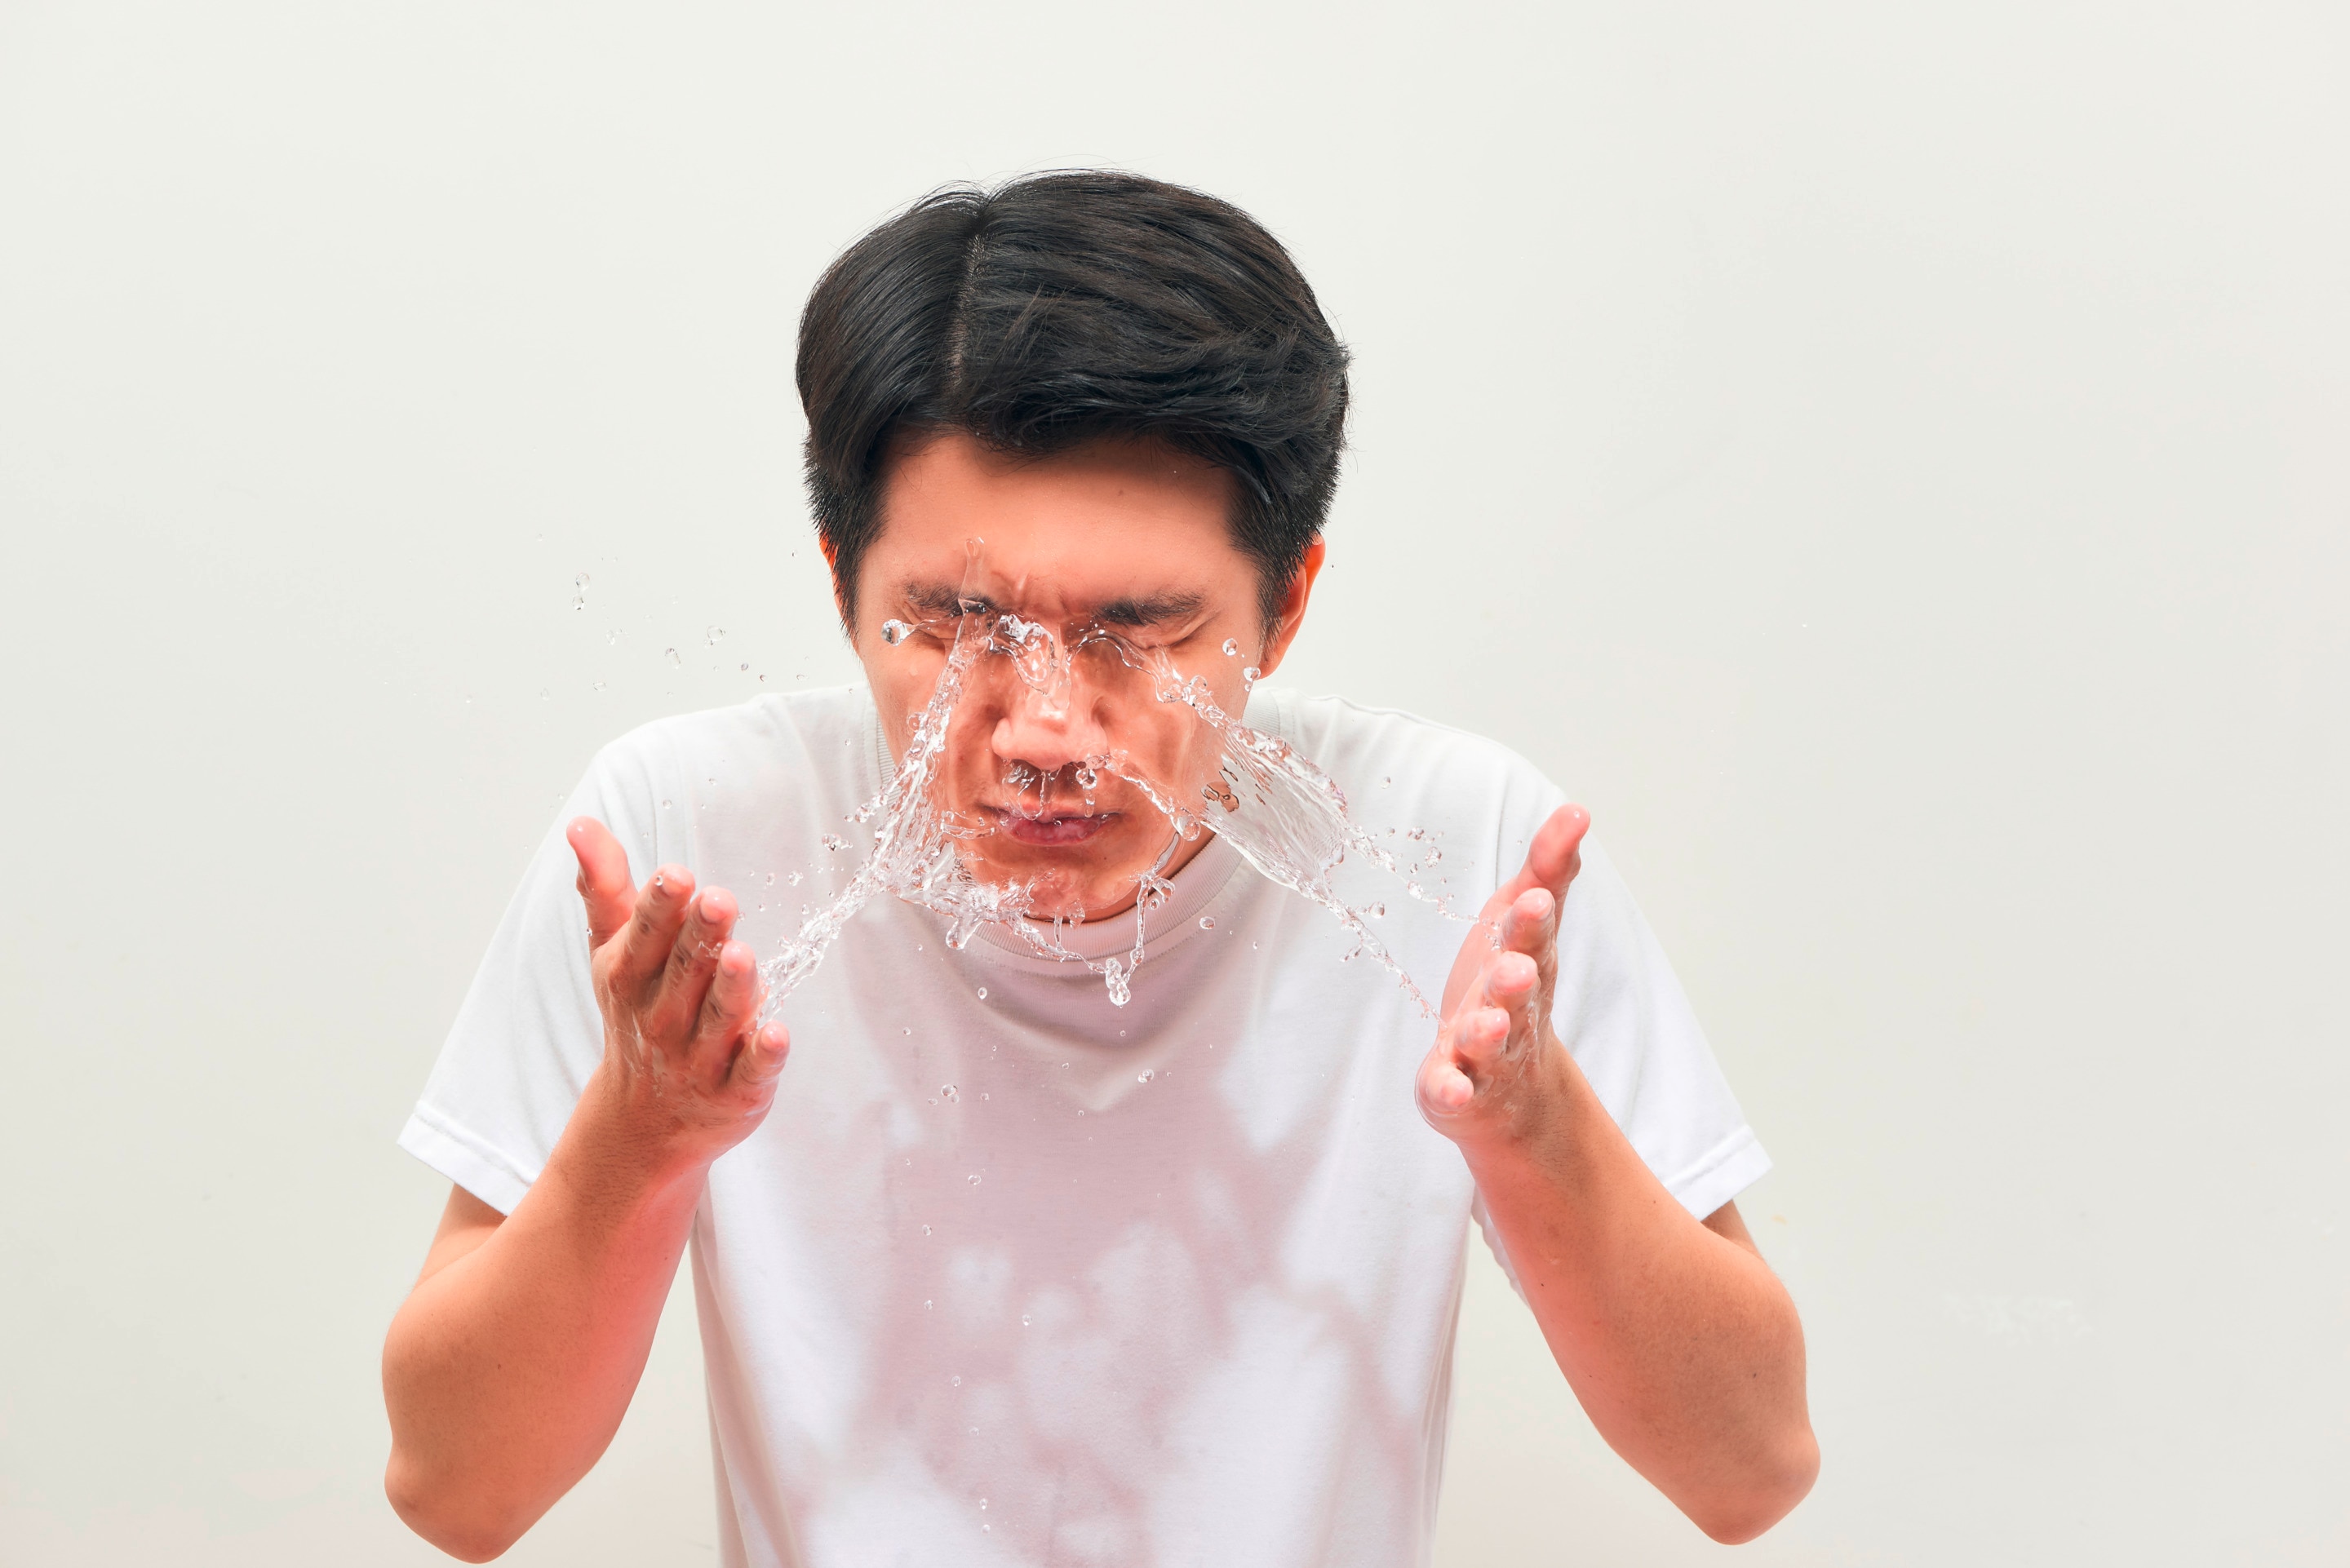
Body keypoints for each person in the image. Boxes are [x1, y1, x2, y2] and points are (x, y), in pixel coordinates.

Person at [381, 171, 1818, 1566]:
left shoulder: (1451, 863)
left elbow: (1748, 1467)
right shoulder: (689, 849)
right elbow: (458, 1492)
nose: (1048, 730)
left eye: (1139, 628)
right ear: (840, 579)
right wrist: (639, 1140)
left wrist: (1536, 1132)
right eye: (951, 623)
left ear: (1289, 600)